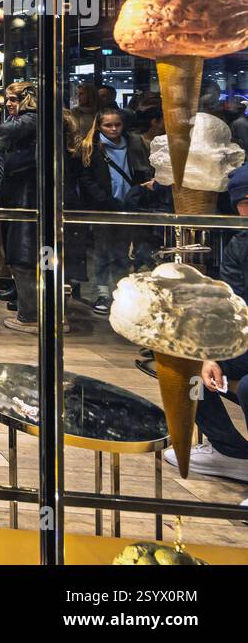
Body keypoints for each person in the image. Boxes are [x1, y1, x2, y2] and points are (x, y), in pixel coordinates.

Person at [168, 165, 248, 482]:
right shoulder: (240, 245)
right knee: (182, 364)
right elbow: (231, 303)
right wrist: (210, 353)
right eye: (243, 201)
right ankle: (231, 452)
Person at [78, 107, 155, 315]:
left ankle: (119, 291)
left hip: (130, 205)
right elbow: (86, 180)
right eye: (108, 125)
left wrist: (140, 192)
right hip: (103, 207)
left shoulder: (133, 144)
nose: (113, 129)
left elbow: (141, 170)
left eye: (117, 124)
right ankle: (102, 291)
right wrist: (104, 200)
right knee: (102, 250)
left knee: (123, 251)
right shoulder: (91, 147)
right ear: (99, 126)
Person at [0, 81, 38, 332]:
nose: (8, 104)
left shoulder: (31, 119)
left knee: (23, 253)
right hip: (18, 192)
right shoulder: (29, 122)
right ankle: (22, 299)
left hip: (26, 195)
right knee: (17, 251)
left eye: (12, 99)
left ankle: (30, 314)